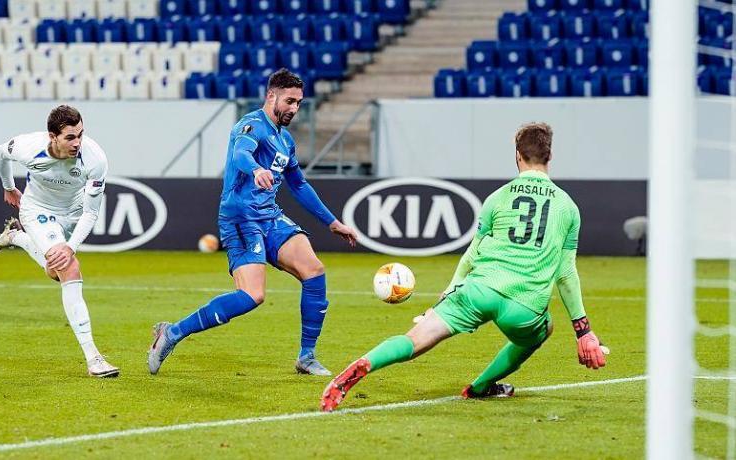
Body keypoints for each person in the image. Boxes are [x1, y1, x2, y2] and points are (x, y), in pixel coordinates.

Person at [321, 122, 606, 411]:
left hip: (478, 289)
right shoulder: (568, 207)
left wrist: (447, 293)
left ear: (518, 155)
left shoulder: (498, 197)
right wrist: (583, 331)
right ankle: (481, 386)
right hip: (523, 305)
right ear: (550, 156)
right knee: (543, 330)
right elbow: (566, 272)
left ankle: (365, 363)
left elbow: (471, 254)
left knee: (416, 340)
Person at [148, 69, 358, 376]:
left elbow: (298, 184)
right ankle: (173, 333)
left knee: (314, 270)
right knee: (253, 295)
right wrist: (257, 169)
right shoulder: (250, 125)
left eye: (299, 103)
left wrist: (332, 222)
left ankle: (307, 356)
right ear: (271, 96)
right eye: (289, 101)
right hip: (240, 218)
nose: (294, 109)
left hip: (269, 216)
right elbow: (240, 156)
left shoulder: (285, 140)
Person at [0, 104, 119, 378]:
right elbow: (1, 152)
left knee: (56, 272)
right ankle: (94, 358)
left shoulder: (95, 159)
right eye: (70, 137)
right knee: (70, 268)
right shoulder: (28, 147)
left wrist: (70, 245)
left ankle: (17, 237)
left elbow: (91, 212)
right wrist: (8, 186)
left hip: (74, 214)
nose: (77, 143)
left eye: (81, 135)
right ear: (52, 136)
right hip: (37, 210)